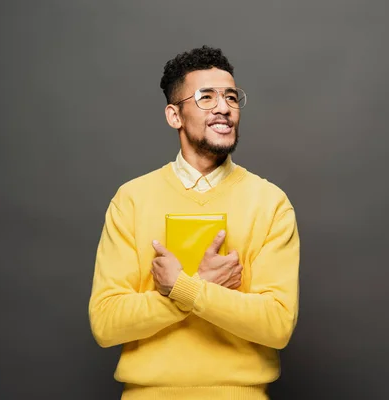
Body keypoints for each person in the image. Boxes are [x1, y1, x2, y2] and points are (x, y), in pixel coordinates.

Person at [88, 45, 300, 400]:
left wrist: (185, 287)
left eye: (231, 97)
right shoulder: (132, 199)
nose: (223, 107)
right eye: (206, 97)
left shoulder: (270, 202)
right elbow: (106, 324)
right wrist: (199, 285)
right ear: (175, 115)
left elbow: (277, 325)